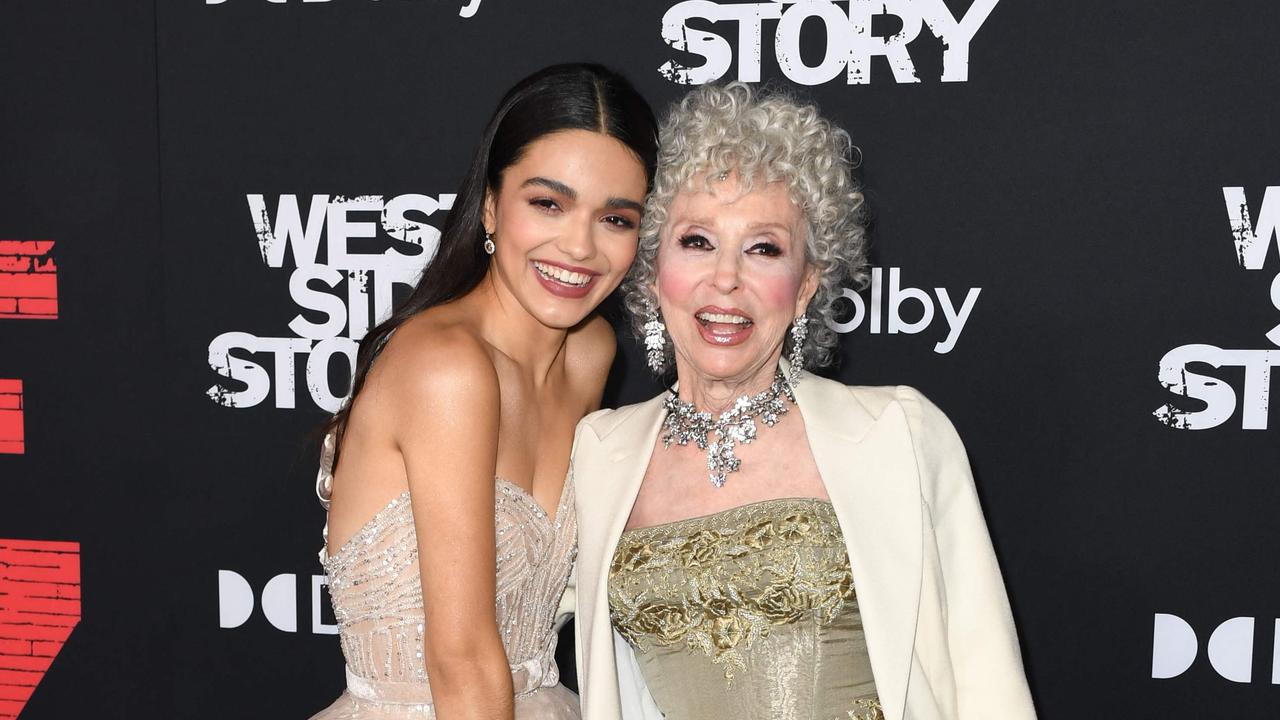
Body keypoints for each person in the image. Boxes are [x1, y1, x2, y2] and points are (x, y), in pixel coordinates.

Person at [570, 83, 1036, 720]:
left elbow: (987, 683)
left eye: (764, 248)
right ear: (652, 272)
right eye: (697, 241)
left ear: (807, 284)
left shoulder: (895, 431)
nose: (726, 278)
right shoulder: (599, 453)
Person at [308, 63, 657, 720]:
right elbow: (462, 659)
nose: (578, 246)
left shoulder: (590, 353)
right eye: (548, 203)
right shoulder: (447, 368)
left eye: (615, 218)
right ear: (492, 205)